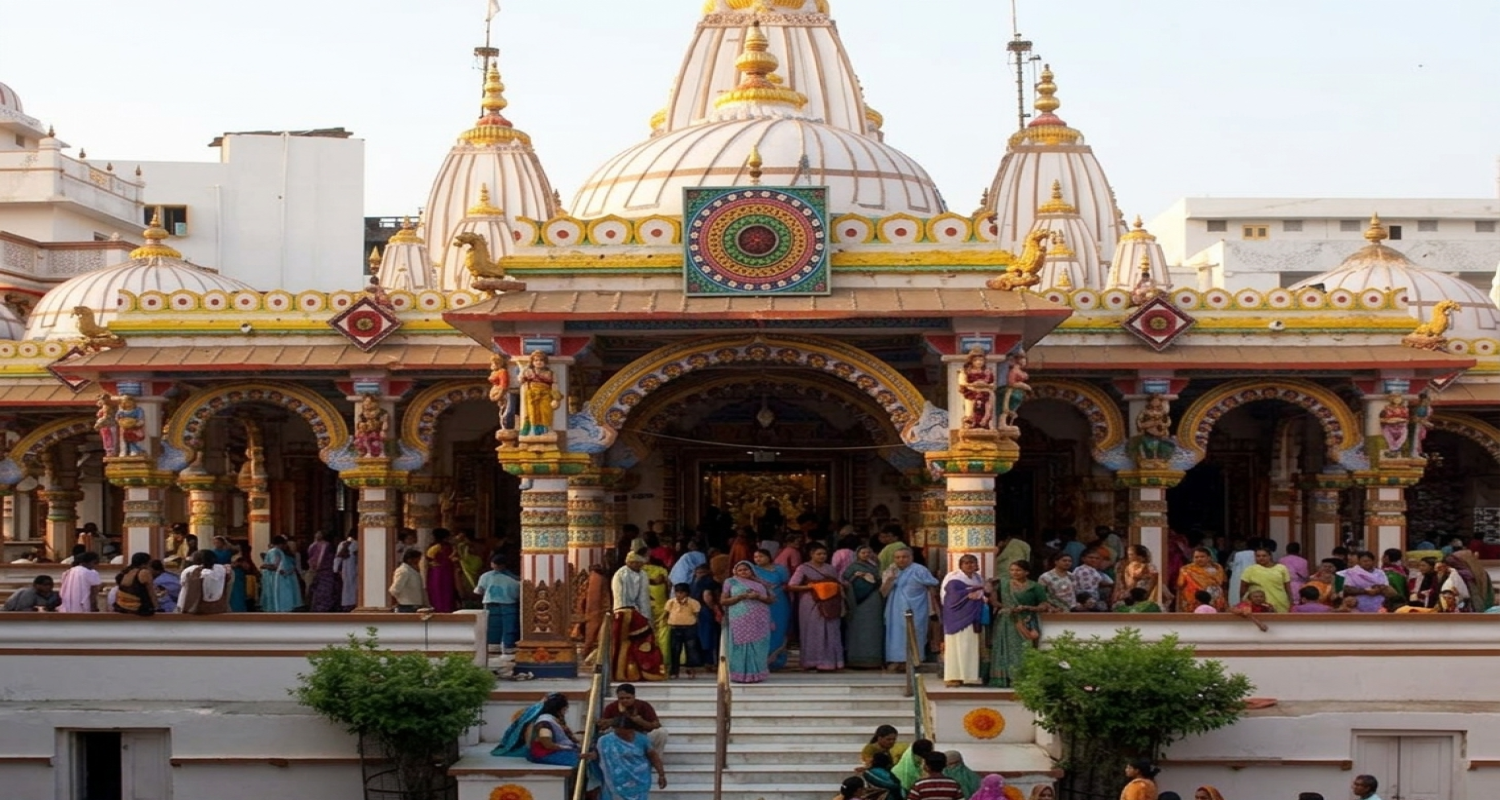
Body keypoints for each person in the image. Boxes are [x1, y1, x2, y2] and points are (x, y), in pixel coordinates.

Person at [611, 552, 667, 682]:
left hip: (638, 613)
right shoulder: (621, 574)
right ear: (630, 562)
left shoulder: (642, 574)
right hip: (623, 612)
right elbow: (620, 598)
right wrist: (628, 614)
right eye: (638, 563)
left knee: (646, 639)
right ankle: (622, 672)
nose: (640, 566)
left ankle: (643, 669)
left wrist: (646, 616)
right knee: (623, 642)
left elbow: (643, 598)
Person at [788, 543, 845, 672]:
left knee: (831, 631)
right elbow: (792, 586)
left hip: (830, 603)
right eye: (819, 554)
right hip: (811, 603)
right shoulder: (803, 568)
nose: (822, 556)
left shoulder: (831, 569)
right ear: (811, 554)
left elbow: (836, 583)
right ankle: (812, 661)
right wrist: (813, 587)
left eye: (824, 554)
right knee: (813, 631)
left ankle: (831, 662)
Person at [989, 559, 1046, 687]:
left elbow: (1043, 605)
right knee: (1004, 648)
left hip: (1025, 621)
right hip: (1005, 620)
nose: (1014, 573)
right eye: (1012, 570)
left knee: (1023, 648)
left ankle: (1022, 678)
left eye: (1018, 570)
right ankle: (1004, 678)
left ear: (1026, 572)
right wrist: (1005, 607)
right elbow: (994, 601)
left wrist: (1027, 608)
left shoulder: (1034, 586)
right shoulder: (1003, 584)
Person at [882, 547, 940, 670]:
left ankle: (914, 660)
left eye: (904, 557)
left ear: (911, 557)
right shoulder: (891, 570)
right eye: (898, 557)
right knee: (895, 635)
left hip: (916, 609)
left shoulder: (919, 570)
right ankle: (897, 660)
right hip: (895, 610)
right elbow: (883, 593)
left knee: (915, 633)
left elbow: (932, 586)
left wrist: (934, 609)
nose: (901, 560)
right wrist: (890, 580)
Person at [722, 560, 773, 683]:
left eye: (746, 569)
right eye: (740, 570)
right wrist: (740, 596)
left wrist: (758, 597)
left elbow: (771, 600)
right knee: (740, 645)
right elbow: (723, 601)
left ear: (752, 570)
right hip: (739, 618)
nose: (743, 572)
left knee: (759, 645)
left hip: (759, 619)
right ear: (735, 571)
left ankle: (757, 674)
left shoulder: (761, 583)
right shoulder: (730, 582)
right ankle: (739, 674)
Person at [940, 554, 987, 686]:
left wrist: (980, 593)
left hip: (972, 617)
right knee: (955, 646)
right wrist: (972, 592)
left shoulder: (978, 578)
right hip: (956, 617)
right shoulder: (953, 577)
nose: (969, 565)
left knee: (970, 646)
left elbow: (981, 593)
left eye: (972, 562)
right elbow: (952, 596)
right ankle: (953, 676)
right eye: (966, 563)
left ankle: (969, 676)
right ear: (960, 565)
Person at [596, 714, 667, 800]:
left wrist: (661, 775)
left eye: (626, 733)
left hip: (639, 779)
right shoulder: (605, 741)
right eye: (619, 734)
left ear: (632, 729)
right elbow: (600, 755)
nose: (623, 736)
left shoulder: (642, 739)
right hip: (615, 781)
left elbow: (654, 757)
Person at [844, 545, 886, 669]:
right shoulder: (852, 567)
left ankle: (873, 659)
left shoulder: (874, 566)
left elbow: (879, 580)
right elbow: (846, 582)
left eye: (868, 552)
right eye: (863, 553)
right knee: (857, 630)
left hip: (872, 603)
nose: (866, 555)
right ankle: (856, 659)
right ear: (857, 554)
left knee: (873, 629)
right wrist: (856, 577)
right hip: (857, 603)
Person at [750, 548, 792, 670]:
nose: (758, 559)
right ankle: (761, 661)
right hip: (759, 603)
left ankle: (778, 660)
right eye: (756, 557)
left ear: (769, 557)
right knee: (761, 630)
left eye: (761, 556)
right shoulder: (752, 570)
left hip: (779, 603)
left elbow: (786, 583)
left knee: (779, 629)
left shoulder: (780, 569)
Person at [601, 683, 669, 757]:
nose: (625, 700)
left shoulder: (643, 705)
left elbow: (657, 724)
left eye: (628, 698)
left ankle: (654, 759)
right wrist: (614, 721)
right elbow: (603, 726)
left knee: (662, 732)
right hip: (620, 738)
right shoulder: (611, 707)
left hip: (641, 737)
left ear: (634, 696)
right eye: (621, 698)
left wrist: (641, 722)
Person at [475, 554, 521, 653]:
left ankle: (493, 644)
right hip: (509, 603)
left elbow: (479, 590)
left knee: (493, 625)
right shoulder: (514, 579)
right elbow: (518, 594)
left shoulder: (486, 576)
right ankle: (507, 645)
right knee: (509, 625)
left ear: (492, 564)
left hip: (491, 603)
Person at [525, 693, 584, 767]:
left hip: (554, 751)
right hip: (544, 754)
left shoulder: (554, 720)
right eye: (565, 709)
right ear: (559, 709)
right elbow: (547, 744)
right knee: (582, 761)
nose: (565, 712)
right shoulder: (544, 723)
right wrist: (566, 747)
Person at [664, 583, 703, 678]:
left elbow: (696, 615)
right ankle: (674, 671)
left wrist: (695, 625)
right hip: (675, 628)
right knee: (675, 650)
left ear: (687, 593)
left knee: (691, 649)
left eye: (681, 592)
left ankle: (691, 670)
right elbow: (666, 613)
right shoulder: (671, 602)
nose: (678, 595)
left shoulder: (693, 602)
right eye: (677, 592)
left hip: (689, 628)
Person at [179, 550, 232, 615]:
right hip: (220, 609)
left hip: (196, 610)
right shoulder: (223, 571)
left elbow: (188, 593)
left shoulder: (193, 573)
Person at [1240, 547, 1292, 613]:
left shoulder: (1282, 568)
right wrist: (1243, 603)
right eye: (1258, 556)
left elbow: (1288, 588)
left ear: (1270, 556)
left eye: (1264, 556)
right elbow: (1243, 589)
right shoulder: (1250, 570)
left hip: (1280, 602)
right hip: (1259, 605)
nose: (1261, 558)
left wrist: (1291, 602)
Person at [259, 536, 303, 612]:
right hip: (281, 578)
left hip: (276, 578)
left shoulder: (274, 551)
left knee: (276, 599)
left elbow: (275, 566)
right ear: (281, 544)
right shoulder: (277, 551)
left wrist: (264, 566)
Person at [689, 564, 721, 666]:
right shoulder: (709, 582)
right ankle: (709, 661)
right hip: (705, 610)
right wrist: (714, 608)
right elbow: (707, 596)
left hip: (694, 610)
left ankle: (699, 660)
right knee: (708, 635)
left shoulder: (693, 582)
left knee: (699, 635)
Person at [1176, 548, 1226, 612]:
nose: (1199, 559)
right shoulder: (1186, 569)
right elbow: (1180, 586)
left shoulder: (1218, 568)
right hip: (1193, 603)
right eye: (1196, 557)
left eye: (1202, 556)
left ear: (1209, 558)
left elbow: (1223, 584)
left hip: (1214, 602)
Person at [425, 528, 459, 613]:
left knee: (436, 592)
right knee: (446, 592)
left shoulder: (432, 546)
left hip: (434, 572)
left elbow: (429, 558)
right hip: (445, 571)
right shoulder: (446, 547)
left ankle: (437, 610)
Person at [582, 562, 613, 657]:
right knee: (595, 634)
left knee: (595, 634)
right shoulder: (597, 578)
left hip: (596, 611)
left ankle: (589, 653)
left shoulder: (596, 578)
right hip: (598, 611)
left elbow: (592, 599)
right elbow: (593, 598)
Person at [306, 531, 341, 612]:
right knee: (326, 591)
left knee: (318, 591)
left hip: (320, 572)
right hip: (326, 571)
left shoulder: (313, 546)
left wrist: (314, 567)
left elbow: (311, 557)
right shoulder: (326, 545)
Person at [335, 532, 359, 611]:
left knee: (346, 586)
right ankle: (352, 602)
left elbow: (338, 558)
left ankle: (346, 603)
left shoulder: (341, 544)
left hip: (345, 568)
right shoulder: (357, 544)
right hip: (353, 567)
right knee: (353, 585)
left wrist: (335, 569)